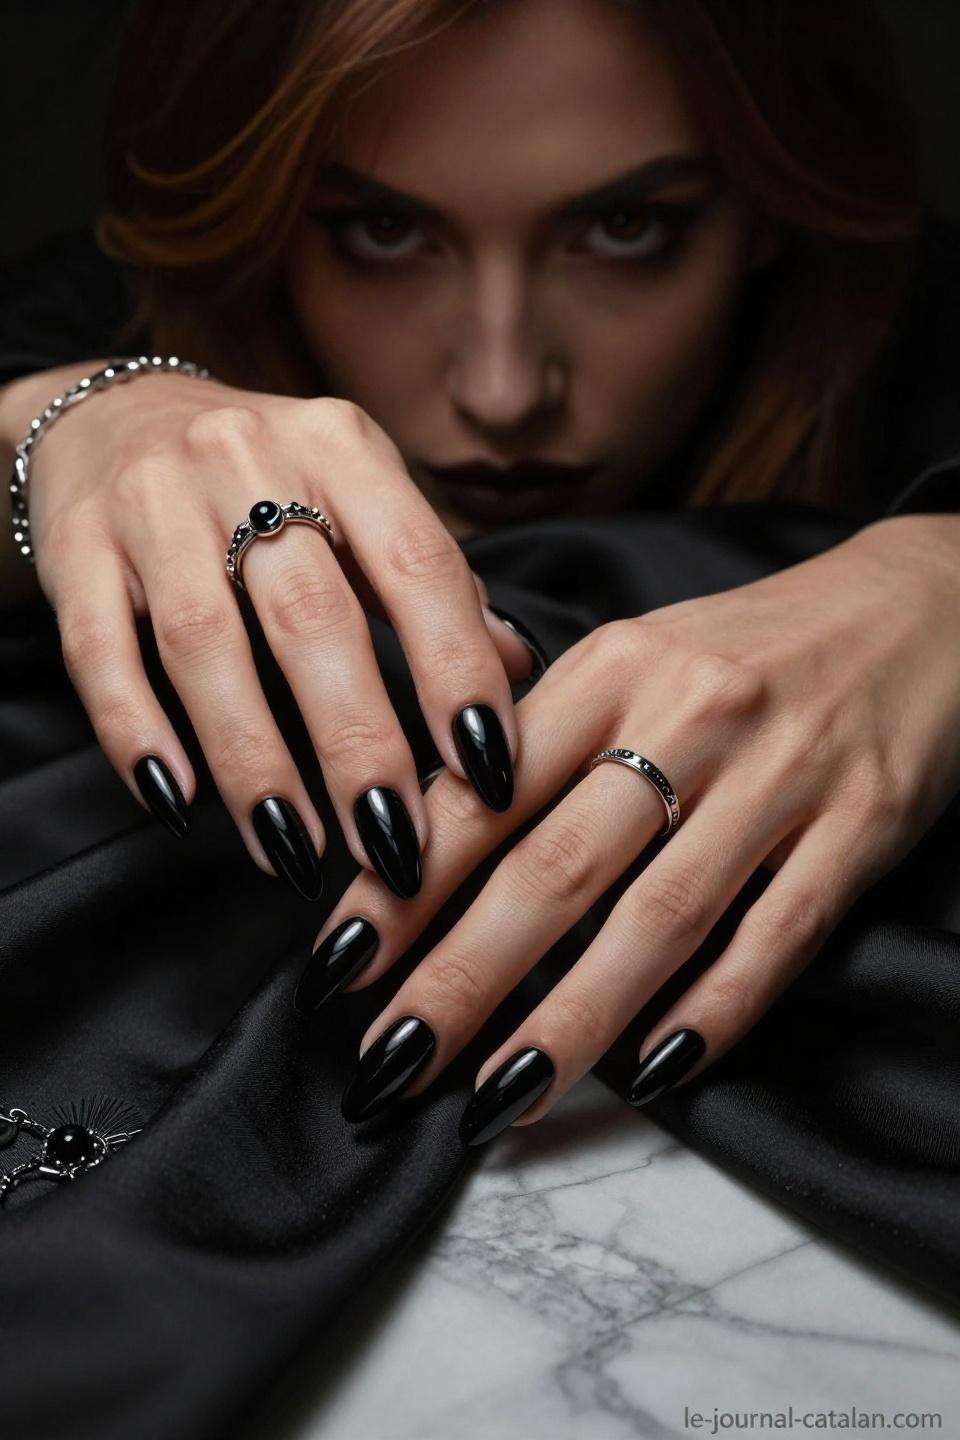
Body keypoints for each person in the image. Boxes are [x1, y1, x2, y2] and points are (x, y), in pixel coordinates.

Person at [0, 4, 958, 1425]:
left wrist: (936, 574)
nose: (504, 386)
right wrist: (62, 428)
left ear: (766, 213)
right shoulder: (119, 321)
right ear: (264, 221)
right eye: (381, 234)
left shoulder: (920, 357)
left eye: (628, 229)